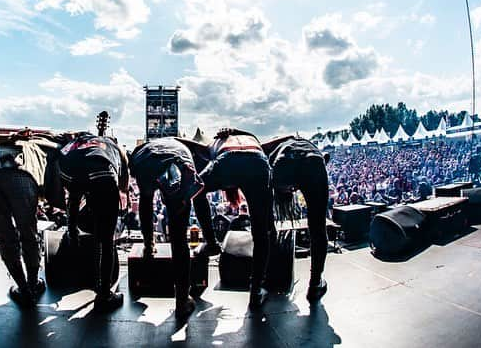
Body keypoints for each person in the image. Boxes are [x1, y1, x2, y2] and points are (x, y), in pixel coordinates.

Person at [129, 137, 213, 318]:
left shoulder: (143, 149)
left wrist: (148, 242)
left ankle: (148, 244)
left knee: (146, 199)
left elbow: (145, 202)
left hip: (147, 162)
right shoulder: (185, 150)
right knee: (178, 237)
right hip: (179, 163)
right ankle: (182, 300)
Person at [0, 129, 60, 308]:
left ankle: (22, 287)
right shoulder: (49, 143)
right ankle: (32, 284)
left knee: (5, 237)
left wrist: (12, 136)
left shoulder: (3, 142)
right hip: (21, 173)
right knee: (28, 233)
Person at [195, 128, 273, 308]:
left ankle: (212, 242)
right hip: (258, 162)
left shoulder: (213, 143)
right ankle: (256, 290)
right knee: (262, 233)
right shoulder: (252, 138)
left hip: (227, 159)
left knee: (196, 190)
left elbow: (197, 153)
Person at [58, 131, 129, 311]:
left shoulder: (83, 141)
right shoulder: (116, 148)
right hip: (104, 178)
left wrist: (72, 224)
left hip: (74, 170)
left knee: (74, 199)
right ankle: (105, 295)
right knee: (106, 241)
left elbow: (73, 196)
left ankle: (72, 232)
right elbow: (123, 184)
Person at [262, 134, 331, 302]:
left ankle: (263, 280)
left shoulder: (274, 149)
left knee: (266, 224)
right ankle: (315, 284)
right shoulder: (306, 145)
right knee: (318, 228)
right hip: (314, 162)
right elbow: (325, 157)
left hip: (282, 165)